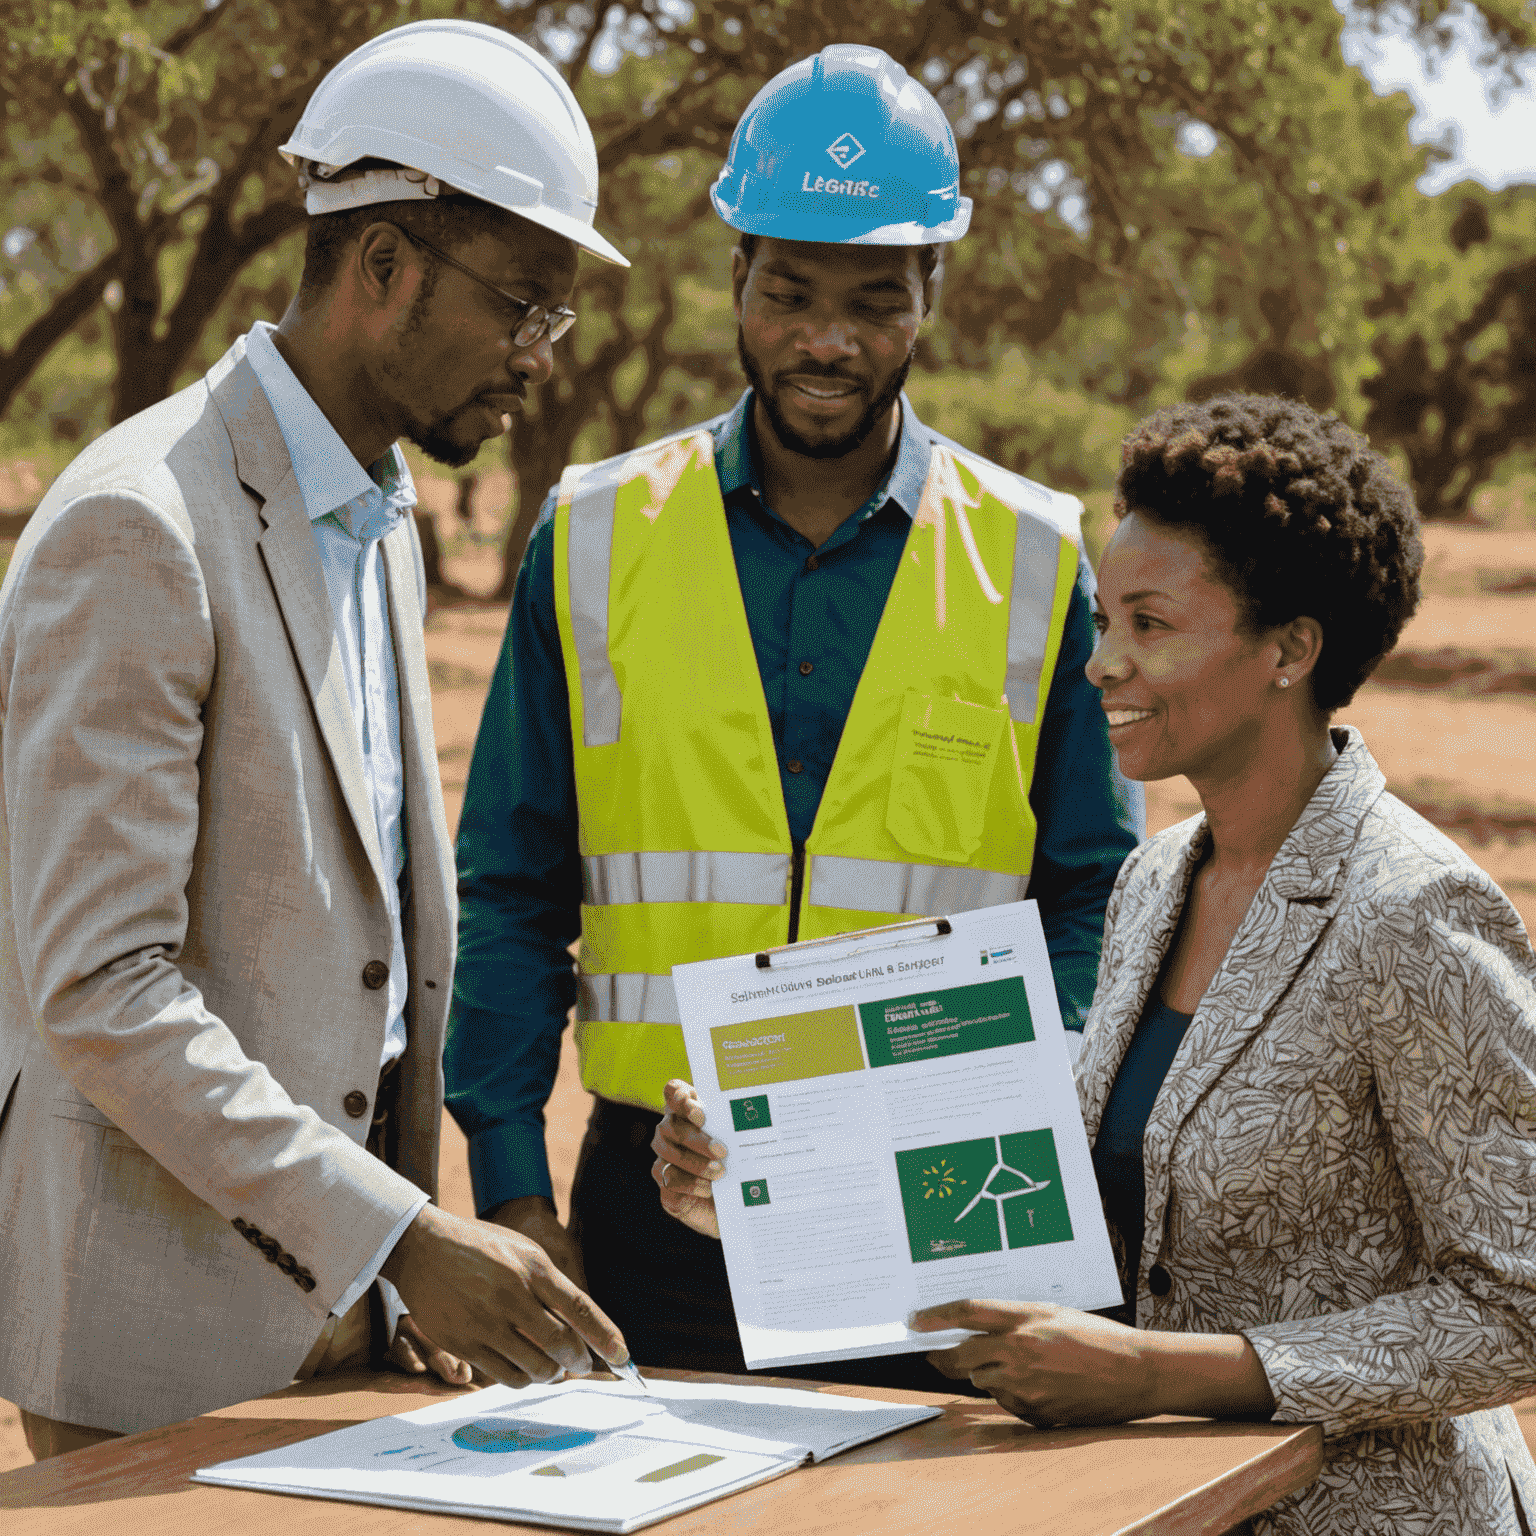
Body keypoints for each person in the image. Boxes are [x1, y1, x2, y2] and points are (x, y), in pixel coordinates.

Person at [657, 392, 1536, 1533]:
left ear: (1290, 650)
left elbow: (1515, 1308)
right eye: (1104, 620)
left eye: (1150, 625)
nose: (1099, 665)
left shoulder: (1415, 912)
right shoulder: (1154, 880)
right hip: (1164, 1507)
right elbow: (1068, 1223)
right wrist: (769, 1192)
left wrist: (1167, 1374)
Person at [446, 42, 1141, 1392]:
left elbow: (1094, 899)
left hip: (948, 1201)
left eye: (875, 298)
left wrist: (998, 1102)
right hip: (649, 1208)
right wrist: (518, 1190)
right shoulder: (590, 538)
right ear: (736, 281)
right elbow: (513, 886)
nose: (829, 340)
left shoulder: (1044, 558)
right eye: (793, 292)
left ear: (932, 289)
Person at [0, 20, 636, 1458]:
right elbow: (100, 984)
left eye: (559, 317)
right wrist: (405, 1235)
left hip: (347, 1316)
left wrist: (387, 1266)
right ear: (385, 265)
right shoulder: (139, 524)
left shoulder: (385, 515)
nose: (540, 355)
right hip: (156, 1340)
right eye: (522, 304)